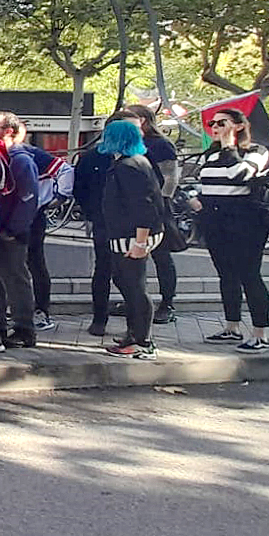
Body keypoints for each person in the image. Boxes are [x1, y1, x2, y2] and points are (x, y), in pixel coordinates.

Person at [192, 108, 269, 352]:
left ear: (238, 126)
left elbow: (241, 175)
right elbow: (202, 183)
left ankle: (260, 333)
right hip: (215, 220)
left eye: (221, 123)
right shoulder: (212, 155)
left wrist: (230, 148)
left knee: (249, 275)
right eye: (212, 123)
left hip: (245, 221)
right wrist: (194, 201)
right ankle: (232, 327)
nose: (215, 128)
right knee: (226, 274)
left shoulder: (256, 151)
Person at [96, 120, 165, 360]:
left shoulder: (127, 166)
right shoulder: (135, 163)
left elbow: (142, 206)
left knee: (133, 286)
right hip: (128, 234)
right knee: (127, 282)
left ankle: (141, 340)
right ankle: (135, 335)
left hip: (131, 235)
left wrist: (140, 242)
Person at [72, 109, 142, 336]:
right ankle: (99, 318)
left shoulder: (140, 160)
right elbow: (80, 188)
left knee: (131, 277)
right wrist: (92, 213)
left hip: (132, 228)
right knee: (102, 270)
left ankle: (136, 326)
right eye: (132, 128)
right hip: (103, 223)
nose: (138, 133)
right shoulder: (92, 157)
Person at [0, 111, 39, 349]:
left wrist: (13, 229)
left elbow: (28, 198)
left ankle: (25, 329)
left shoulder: (21, 159)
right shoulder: (0, 157)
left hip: (9, 233)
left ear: (8, 132)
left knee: (16, 280)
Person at [12, 122, 72, 332]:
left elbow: (65, 170)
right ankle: (20, 308)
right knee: (13, 264)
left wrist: (59, 197)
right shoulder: (2, 154)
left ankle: (40, 310)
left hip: (32, 215)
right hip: (14, 214)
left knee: (34, 262)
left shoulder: (34, 154)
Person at [125, 103, 180, 325]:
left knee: (161, 256)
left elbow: (171, 177)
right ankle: (137, 299)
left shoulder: (161, 145)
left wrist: (162, 201)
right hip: (131, 206)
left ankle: (168, 302)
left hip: (156, 206)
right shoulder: (132, 144)